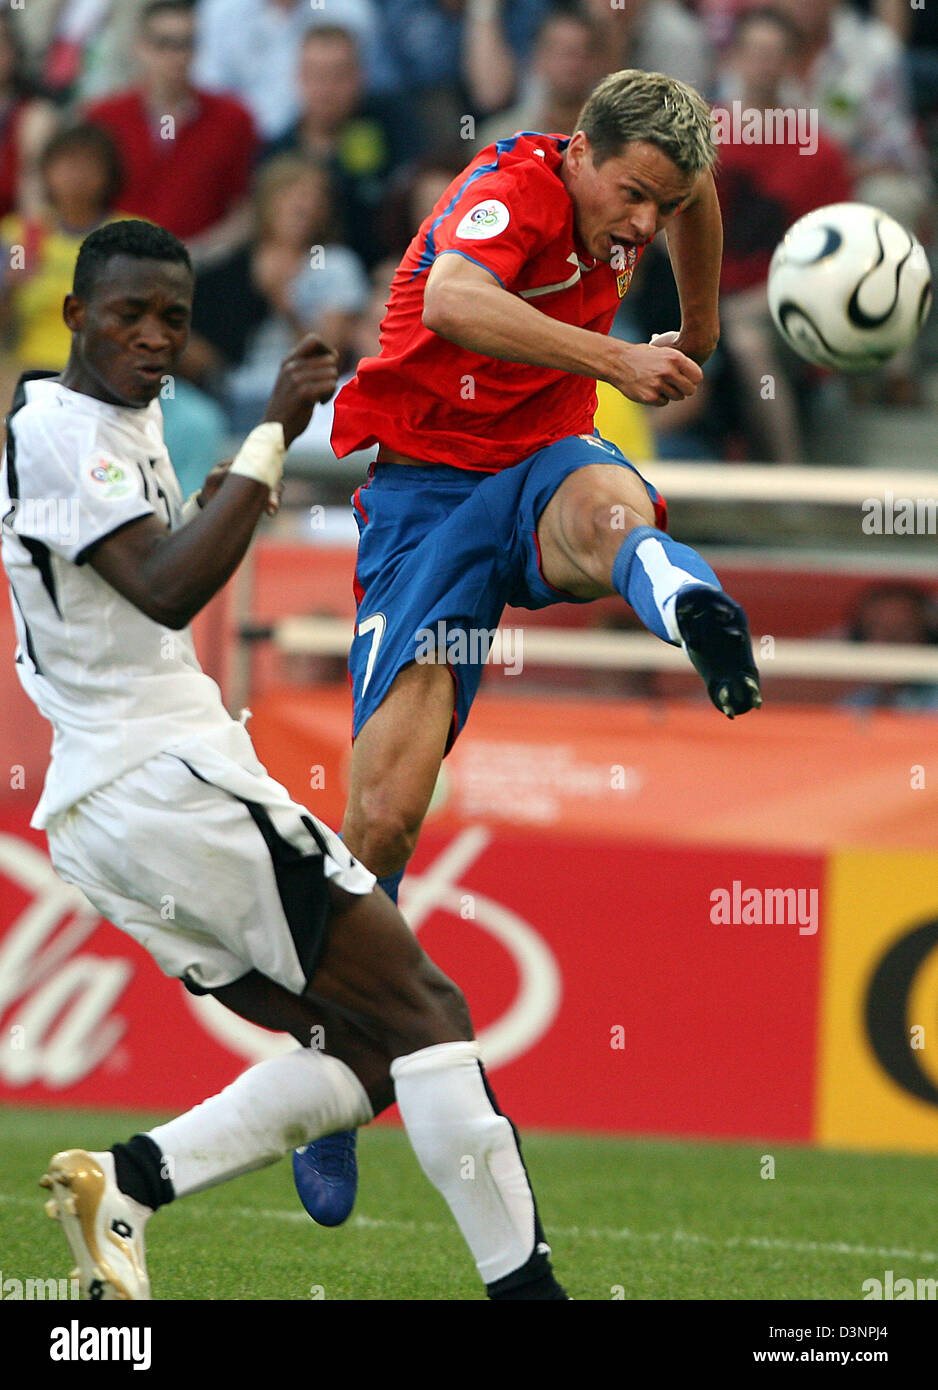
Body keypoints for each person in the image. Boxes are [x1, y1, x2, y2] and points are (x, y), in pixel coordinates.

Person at [0, 218, 568, 1302]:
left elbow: (151, 563)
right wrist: (271, 435)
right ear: (73, 315)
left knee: (366, 1048)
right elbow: (165, 587)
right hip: (164, 779)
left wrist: (235, 477)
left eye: (172, 318)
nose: (153, 336)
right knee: (430, 1011)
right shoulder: (61, 428)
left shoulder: (113, 422)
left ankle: (125, 1184)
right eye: (127, 314)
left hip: (111, 810)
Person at [301, 68, 762, 1220]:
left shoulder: (647, 196)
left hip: (543, 460)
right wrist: (620, 359)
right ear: (580, 151)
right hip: (424, 494)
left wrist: (700, 327)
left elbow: (698, 197)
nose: (644, 222)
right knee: (383, 815)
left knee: (609, 506)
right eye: (631, 195)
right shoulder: (511, 187)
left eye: (661, 203)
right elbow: (453, 301)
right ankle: (333, 1069)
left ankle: (689, 603)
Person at [85, 0, 257, 266]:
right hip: (119, 265)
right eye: (164, 43)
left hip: (204, 268)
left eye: (187, 44)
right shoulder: (104, 118)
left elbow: (245, 211)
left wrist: (193, 254)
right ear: (141, 47)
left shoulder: (233, 119)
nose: (177, 55)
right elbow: (85, 202)